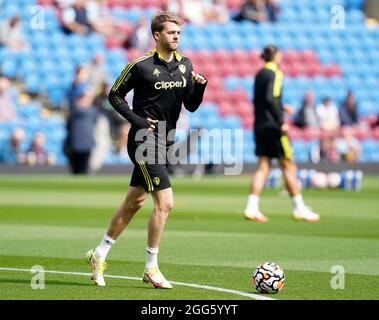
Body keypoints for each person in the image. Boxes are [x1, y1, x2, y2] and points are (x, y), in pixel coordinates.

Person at [85, 11, 207, 289]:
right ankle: (151, 267)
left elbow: (191, 105)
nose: (176, 36)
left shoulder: (185, 65)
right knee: (165, 203)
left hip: (166, 141)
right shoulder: (139, 66)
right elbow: (114, 94)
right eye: (171, 32)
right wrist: (137, 121)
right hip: (143, 141)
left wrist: (200, 88)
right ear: (157, 35)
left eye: (179, 32)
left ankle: (99, 253)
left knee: (134, 203)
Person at [244, 45, 320, 223]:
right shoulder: (275, 73)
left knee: (263, 166)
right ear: (276, 55)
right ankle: (299, 207)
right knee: (288, 165)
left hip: (260, 125)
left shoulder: (259, 74)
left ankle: (251, 207)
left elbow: (261, 100)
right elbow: (271, 98)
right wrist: (281, 121)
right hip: (274, 127)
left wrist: (280, 105)